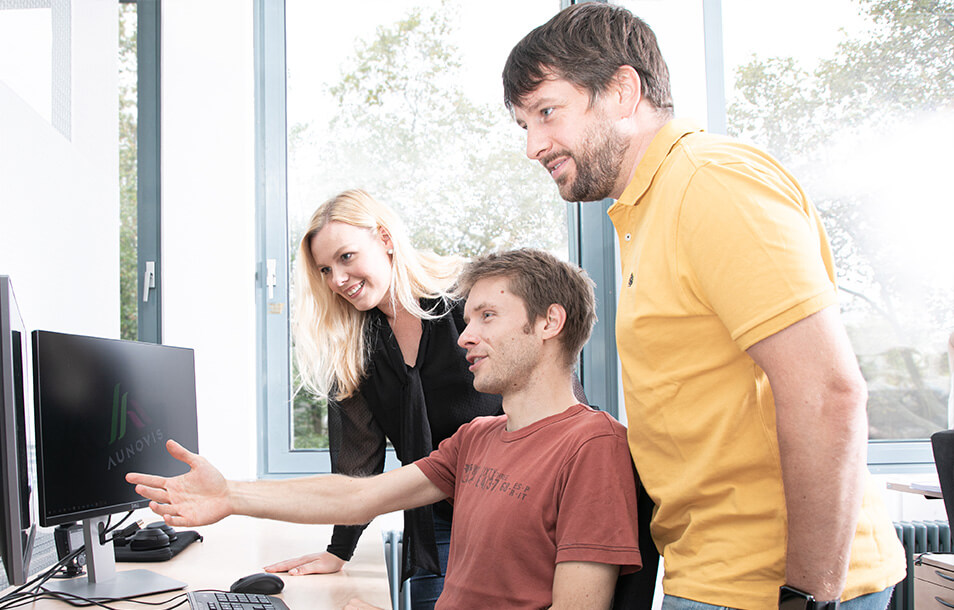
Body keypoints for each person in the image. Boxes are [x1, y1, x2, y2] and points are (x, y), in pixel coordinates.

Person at [501, 4, 906, 609]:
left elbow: (827, 392)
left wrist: (807, 598)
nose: (534, 145)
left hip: (775, 587)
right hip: (716, 576)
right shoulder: (646, 208)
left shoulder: (711, 183)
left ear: (622, 90)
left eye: (547, 112)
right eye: (523, 125)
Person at [127, 248, 642, 610]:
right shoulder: (478, 438)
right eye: (469, 318)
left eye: (488, 316)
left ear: (550, 322)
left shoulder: (592, 446)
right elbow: (358, 497)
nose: (466, 335)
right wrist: (231, 495)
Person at [267, 189, 504, 608]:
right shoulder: (355, 343)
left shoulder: (467, 299)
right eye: (324, 269)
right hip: (435, 518)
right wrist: (339, 549)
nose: (337, 279)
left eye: (346, 257)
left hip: (515, 505)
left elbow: (550, 394)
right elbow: (358, 458)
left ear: (385, 238)